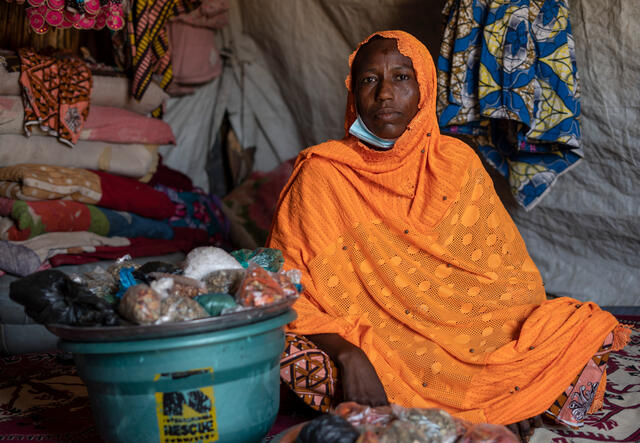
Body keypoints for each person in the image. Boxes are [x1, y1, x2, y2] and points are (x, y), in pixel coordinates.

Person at [268, 30, 629, 441]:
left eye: (402, 77)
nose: (385, 94)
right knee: (290, 353)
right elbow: (285, 288)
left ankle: (503, 397)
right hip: (382, 346)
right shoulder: (322, 175)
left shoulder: (455, 164)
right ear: (353, 93)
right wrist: (350, 354)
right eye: (370, 80)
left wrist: (515, 363)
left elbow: (509, 276)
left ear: (425, 87)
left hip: (473, 330)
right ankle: (504, 404)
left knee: (574, 336)